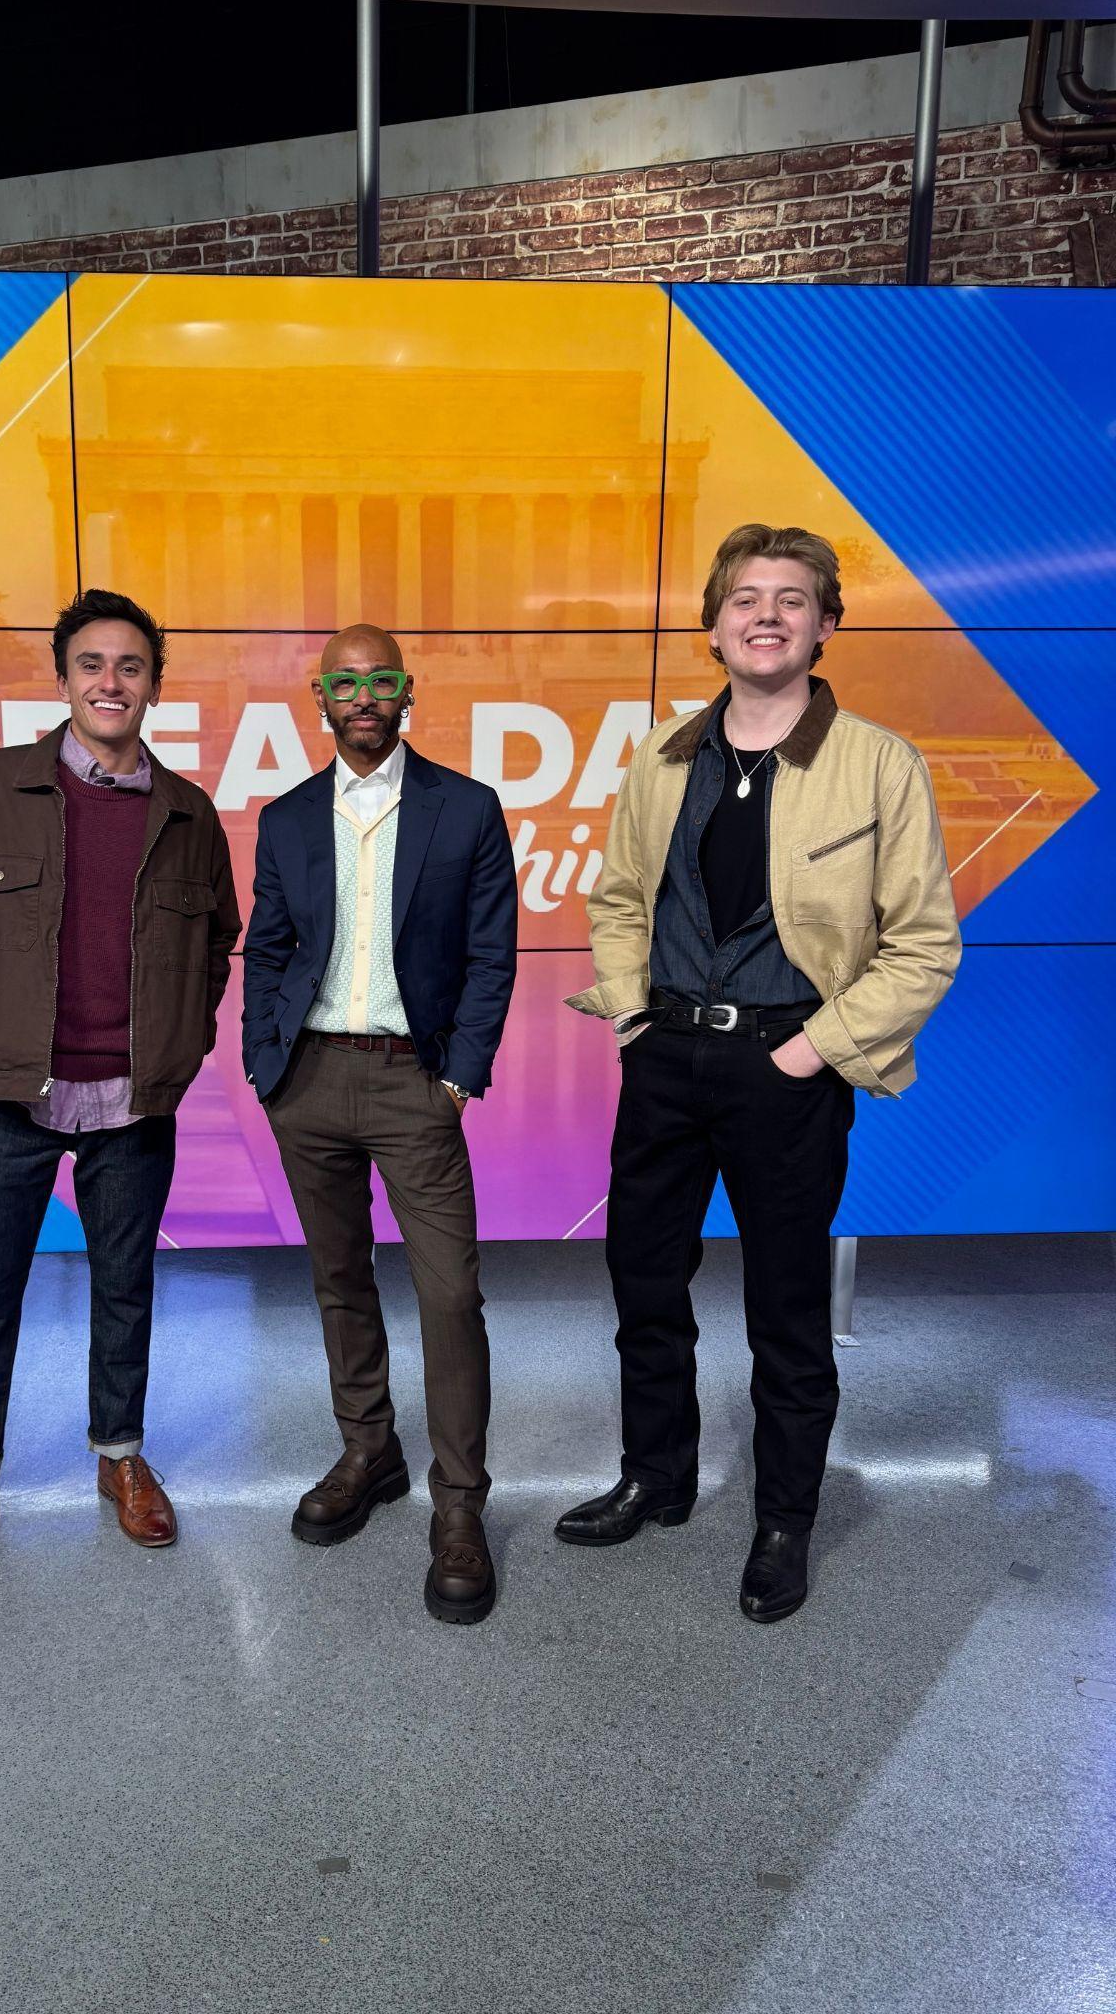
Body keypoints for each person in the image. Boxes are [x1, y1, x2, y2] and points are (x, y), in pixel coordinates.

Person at [557, 525, 960, 1622]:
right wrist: (633, 1016)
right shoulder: (663, 755)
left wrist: (806, 1050)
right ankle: (657, 1475)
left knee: (785, 1309)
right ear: (713, 624)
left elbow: (923, 946)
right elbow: (620, 898)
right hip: (666, 1057)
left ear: (826, 624)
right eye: (745, 597)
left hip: (789, 1064)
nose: (766, 615)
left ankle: (784, 1518)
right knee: (644, 1282)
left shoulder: (878, 763)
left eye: (791, 598)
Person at [0, 588, 240, 1592]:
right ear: (63, 679)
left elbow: (219, 936)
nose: (110, 682)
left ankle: (119, 1455)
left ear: (154, 685)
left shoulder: (188, 813)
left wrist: (184, 1032)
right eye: (92, 663)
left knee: (125, 1289)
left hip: (135, 1099)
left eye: (130, 665)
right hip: (15, 1094)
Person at [242, 624, 518, 1624]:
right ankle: (369, 1449)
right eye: (345, 681)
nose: (364, 695)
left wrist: (458, 1080)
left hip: (415, 1083)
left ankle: (460, 1503)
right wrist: (264, 1064)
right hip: (309, 1079)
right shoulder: (286, 818)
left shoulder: (467, 808)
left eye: (382, 679)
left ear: (409, 691)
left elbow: (491, 955)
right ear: (319, 697)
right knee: (339, 1278)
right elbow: (267, 948)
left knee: (450, 1294)